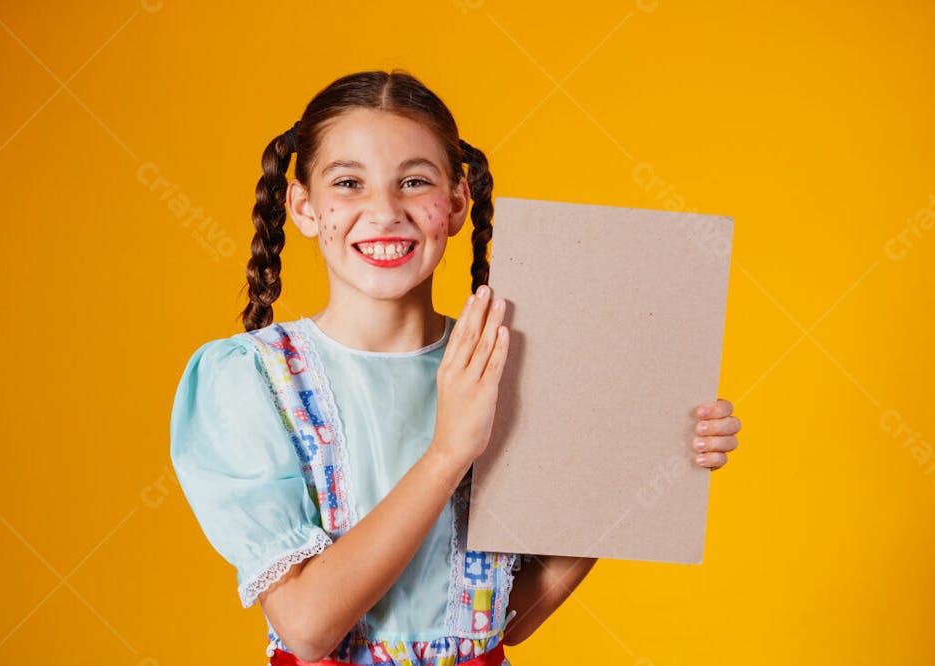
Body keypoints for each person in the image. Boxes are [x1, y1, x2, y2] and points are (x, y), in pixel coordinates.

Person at [169, 69, 742, 665]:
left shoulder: (506, 364)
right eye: (349, 183)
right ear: (304, 207)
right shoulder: (250, 378)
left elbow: (511, 618)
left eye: (415, 182)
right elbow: (308, 627)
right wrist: (448, 452)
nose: (385, 211)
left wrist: (641, 465)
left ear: (459, 202)